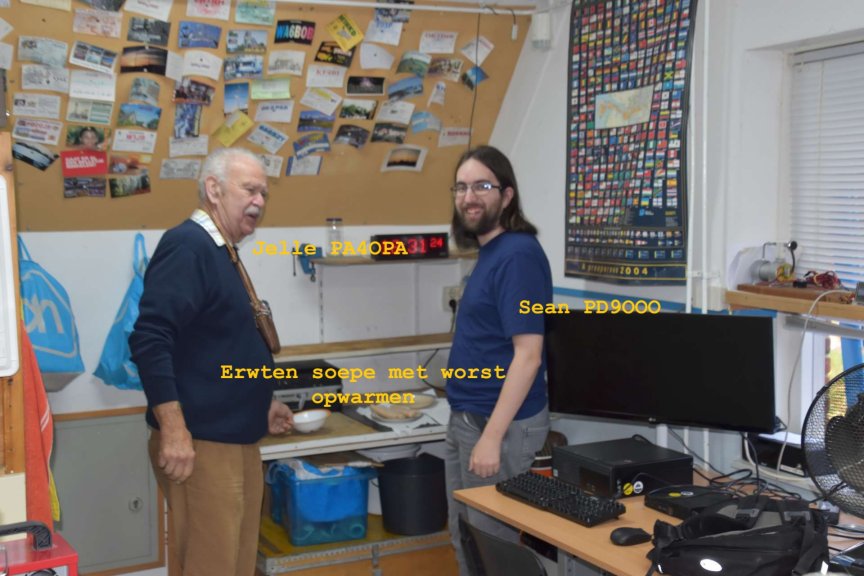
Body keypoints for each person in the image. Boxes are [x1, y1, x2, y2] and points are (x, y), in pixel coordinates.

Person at [130, 147, 293, 576]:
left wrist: (260, 404)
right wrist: (173, 429)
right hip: (202, 444)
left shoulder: (222, 249)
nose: (259, 201)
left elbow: (214, 344)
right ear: (214, 189)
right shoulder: (188, 246)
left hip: (237, 439)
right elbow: (150, 338)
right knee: (210, 567)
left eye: (264, 193)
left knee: (237, 565)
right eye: (250, 189)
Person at [444, 145, 552, 575]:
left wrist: (491, 437)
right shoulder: (491, 252)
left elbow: (528, 356)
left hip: (498, 426)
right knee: (466, 539)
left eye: (482, 186)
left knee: (495, 550)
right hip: (469, 416)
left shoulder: (517, 255)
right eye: (461, 187)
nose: (469, 197)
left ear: (507, 196)